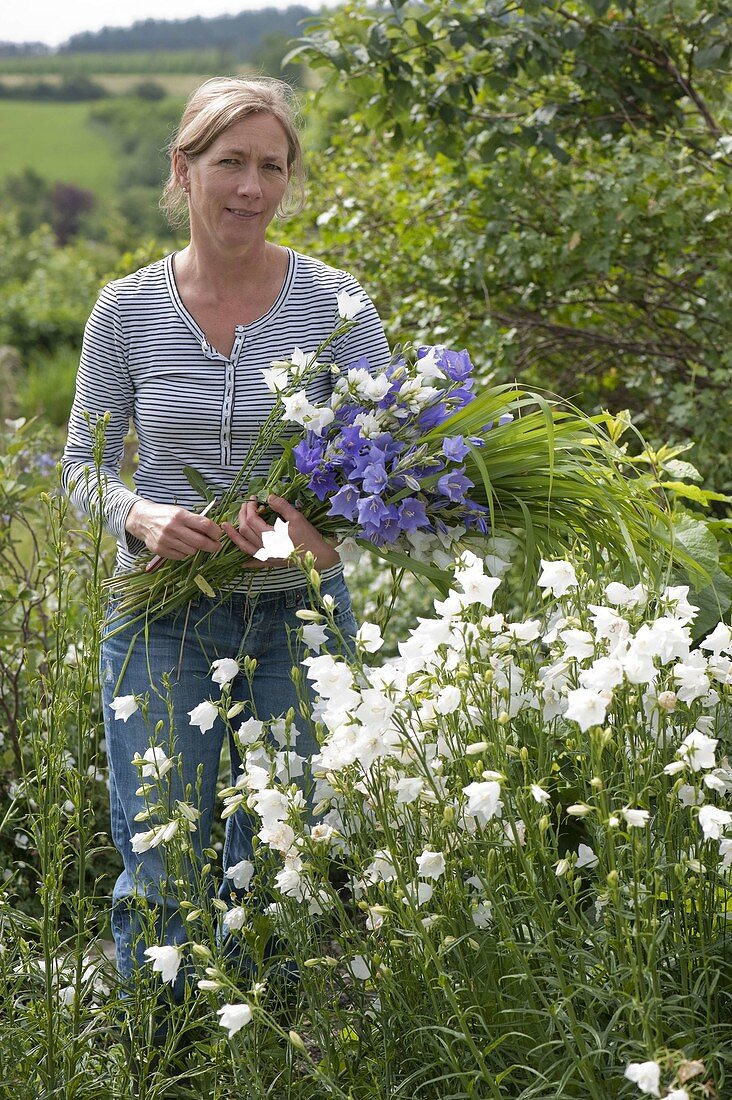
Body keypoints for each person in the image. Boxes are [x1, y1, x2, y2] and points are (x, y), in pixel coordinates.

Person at [61, 77, 391, 997]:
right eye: (230, 162)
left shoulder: (339, 311)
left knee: (281, 859)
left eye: (271, 166)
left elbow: (389, 468)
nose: (251, 186)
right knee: (165, 861)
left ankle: (263, 1056)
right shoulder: (124, 311)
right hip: (161, 623)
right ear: (184, 169)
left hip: (300, 622)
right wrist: (140, 514)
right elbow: (79, 468)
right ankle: (162, 1059)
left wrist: (323, 543)